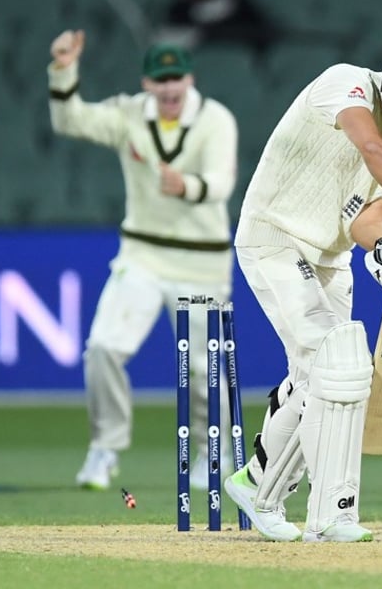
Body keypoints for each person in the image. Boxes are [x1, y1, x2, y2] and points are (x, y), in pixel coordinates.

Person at [223, 40, 382, 542]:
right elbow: (371, 147)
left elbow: (365, 219)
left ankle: (268, 488)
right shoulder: (346, 83)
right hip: (274, 237)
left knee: (330, 376)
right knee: (336, 367)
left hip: (330, 259)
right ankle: (319, 512)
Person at [47, 30, 239, 491]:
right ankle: (105, 448)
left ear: (190, 78)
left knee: (202, 369)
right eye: (160, 79)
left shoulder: (216, 119)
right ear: (146, 83)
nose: (170, 88)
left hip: (202, 263)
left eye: (176, 78)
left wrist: (186, 187)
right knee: (103, 348)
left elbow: (221, 183)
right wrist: (63, 70)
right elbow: (70, 121)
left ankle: (216, 453)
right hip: (142, 254)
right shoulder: (128, 114)